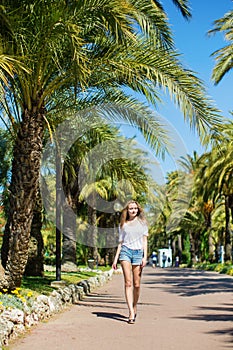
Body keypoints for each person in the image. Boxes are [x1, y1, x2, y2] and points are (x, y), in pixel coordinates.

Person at [112, 200, 148, 324]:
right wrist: (116, 259)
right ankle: (131, 313)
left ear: (138, 210)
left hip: (138, 253)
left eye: (135, 208)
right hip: (125, 252)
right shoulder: (123, 225)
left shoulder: (142, 224)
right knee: (128, 283)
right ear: (127, 210)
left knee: (136, 284)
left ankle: (134, 305)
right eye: (131, 208)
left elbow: (144, 241)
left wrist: (145, 257)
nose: (133, 210)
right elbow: (120, 243)